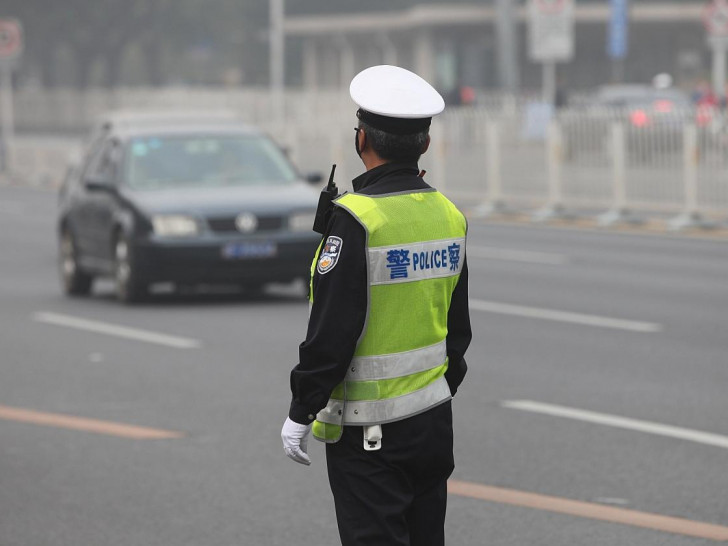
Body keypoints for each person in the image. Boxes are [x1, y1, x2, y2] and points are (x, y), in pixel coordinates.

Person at [281, 65, 472, 546]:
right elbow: (458, 330)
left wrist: (302, 410)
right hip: (432, 424)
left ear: (360, 138)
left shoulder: (358, 221)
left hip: (371, 436)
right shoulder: (448, 214)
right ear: (424, 145)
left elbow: (332, 333)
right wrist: (434, 393)